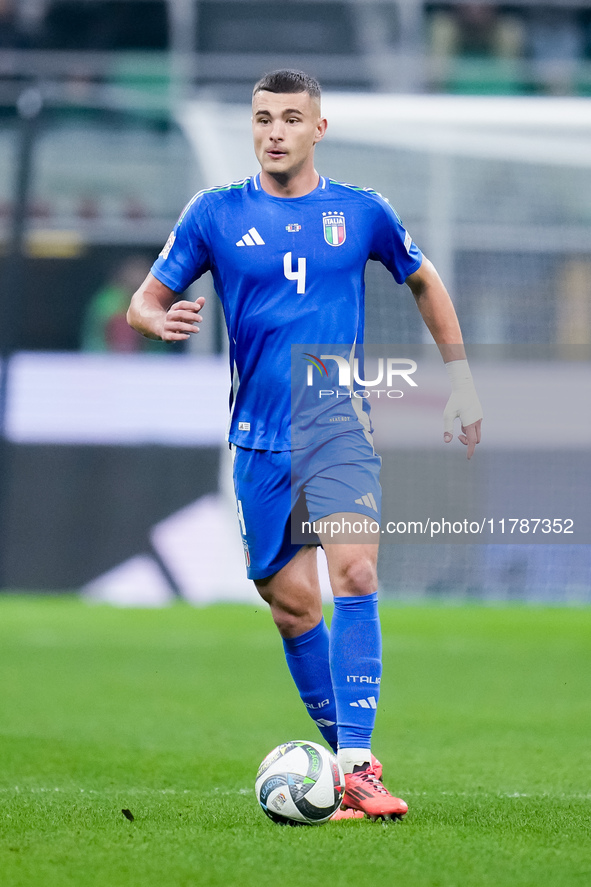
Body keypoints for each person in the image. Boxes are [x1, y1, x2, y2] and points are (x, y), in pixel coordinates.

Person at [127, 70, 482, 821]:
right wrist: (155, 320)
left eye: (291, 117)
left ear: (318, 128)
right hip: (257, 438)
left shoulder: (360, 212)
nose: (275, 131)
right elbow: (145, 300)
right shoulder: (214, 213)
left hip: (334, 416)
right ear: (252, 128)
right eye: (263, 118)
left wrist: (460, 379)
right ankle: (344, 764)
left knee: (353, 569)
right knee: (291, 606)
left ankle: (355, 762)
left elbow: (423, 279)